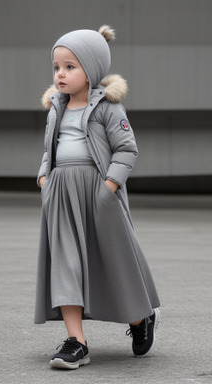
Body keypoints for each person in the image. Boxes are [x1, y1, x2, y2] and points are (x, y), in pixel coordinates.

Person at [35, 25, 160, 370]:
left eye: (70, 67)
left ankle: (140, 318)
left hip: (97, 192)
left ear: (91, 70)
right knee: (66, 264)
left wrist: (108, 188)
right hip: (61, 194)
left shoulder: (108, 108)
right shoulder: (55, 110)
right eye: (56, 67)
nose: (60, 74)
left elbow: (126, 149)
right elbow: (50, 150)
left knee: (113, 261)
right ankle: (77, 342)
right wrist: (44, 178)